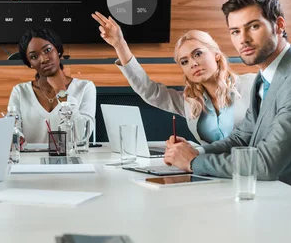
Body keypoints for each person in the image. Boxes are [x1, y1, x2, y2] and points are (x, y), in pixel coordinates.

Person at [163, 0, 291, 199]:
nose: (243, 39)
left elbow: (267, 164)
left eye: (253, 26)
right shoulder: (265, 76)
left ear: (279, 25)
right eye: (235, 31)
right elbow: (242, 138)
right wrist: (195, 151)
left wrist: (193, 162)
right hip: (274, 197)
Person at [92, 11, 255, 145]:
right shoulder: (190, 102)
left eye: (198, 54)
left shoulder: (252, 85)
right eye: (184, 61)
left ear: (216, 55)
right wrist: (120, 45)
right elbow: (150, 92)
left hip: (252, 174)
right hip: (211, 173)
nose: (193, 63)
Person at [8, 28, 96, 144]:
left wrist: (61, 92)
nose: (44, 59)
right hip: (31, 161)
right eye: (34, 57)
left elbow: (82, 136)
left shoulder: (85, 87)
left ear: (58, 51)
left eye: (48, 50)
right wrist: (14, 136)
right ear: (30, 64)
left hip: (71, 161)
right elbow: (12, 130)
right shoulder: (20, 91)